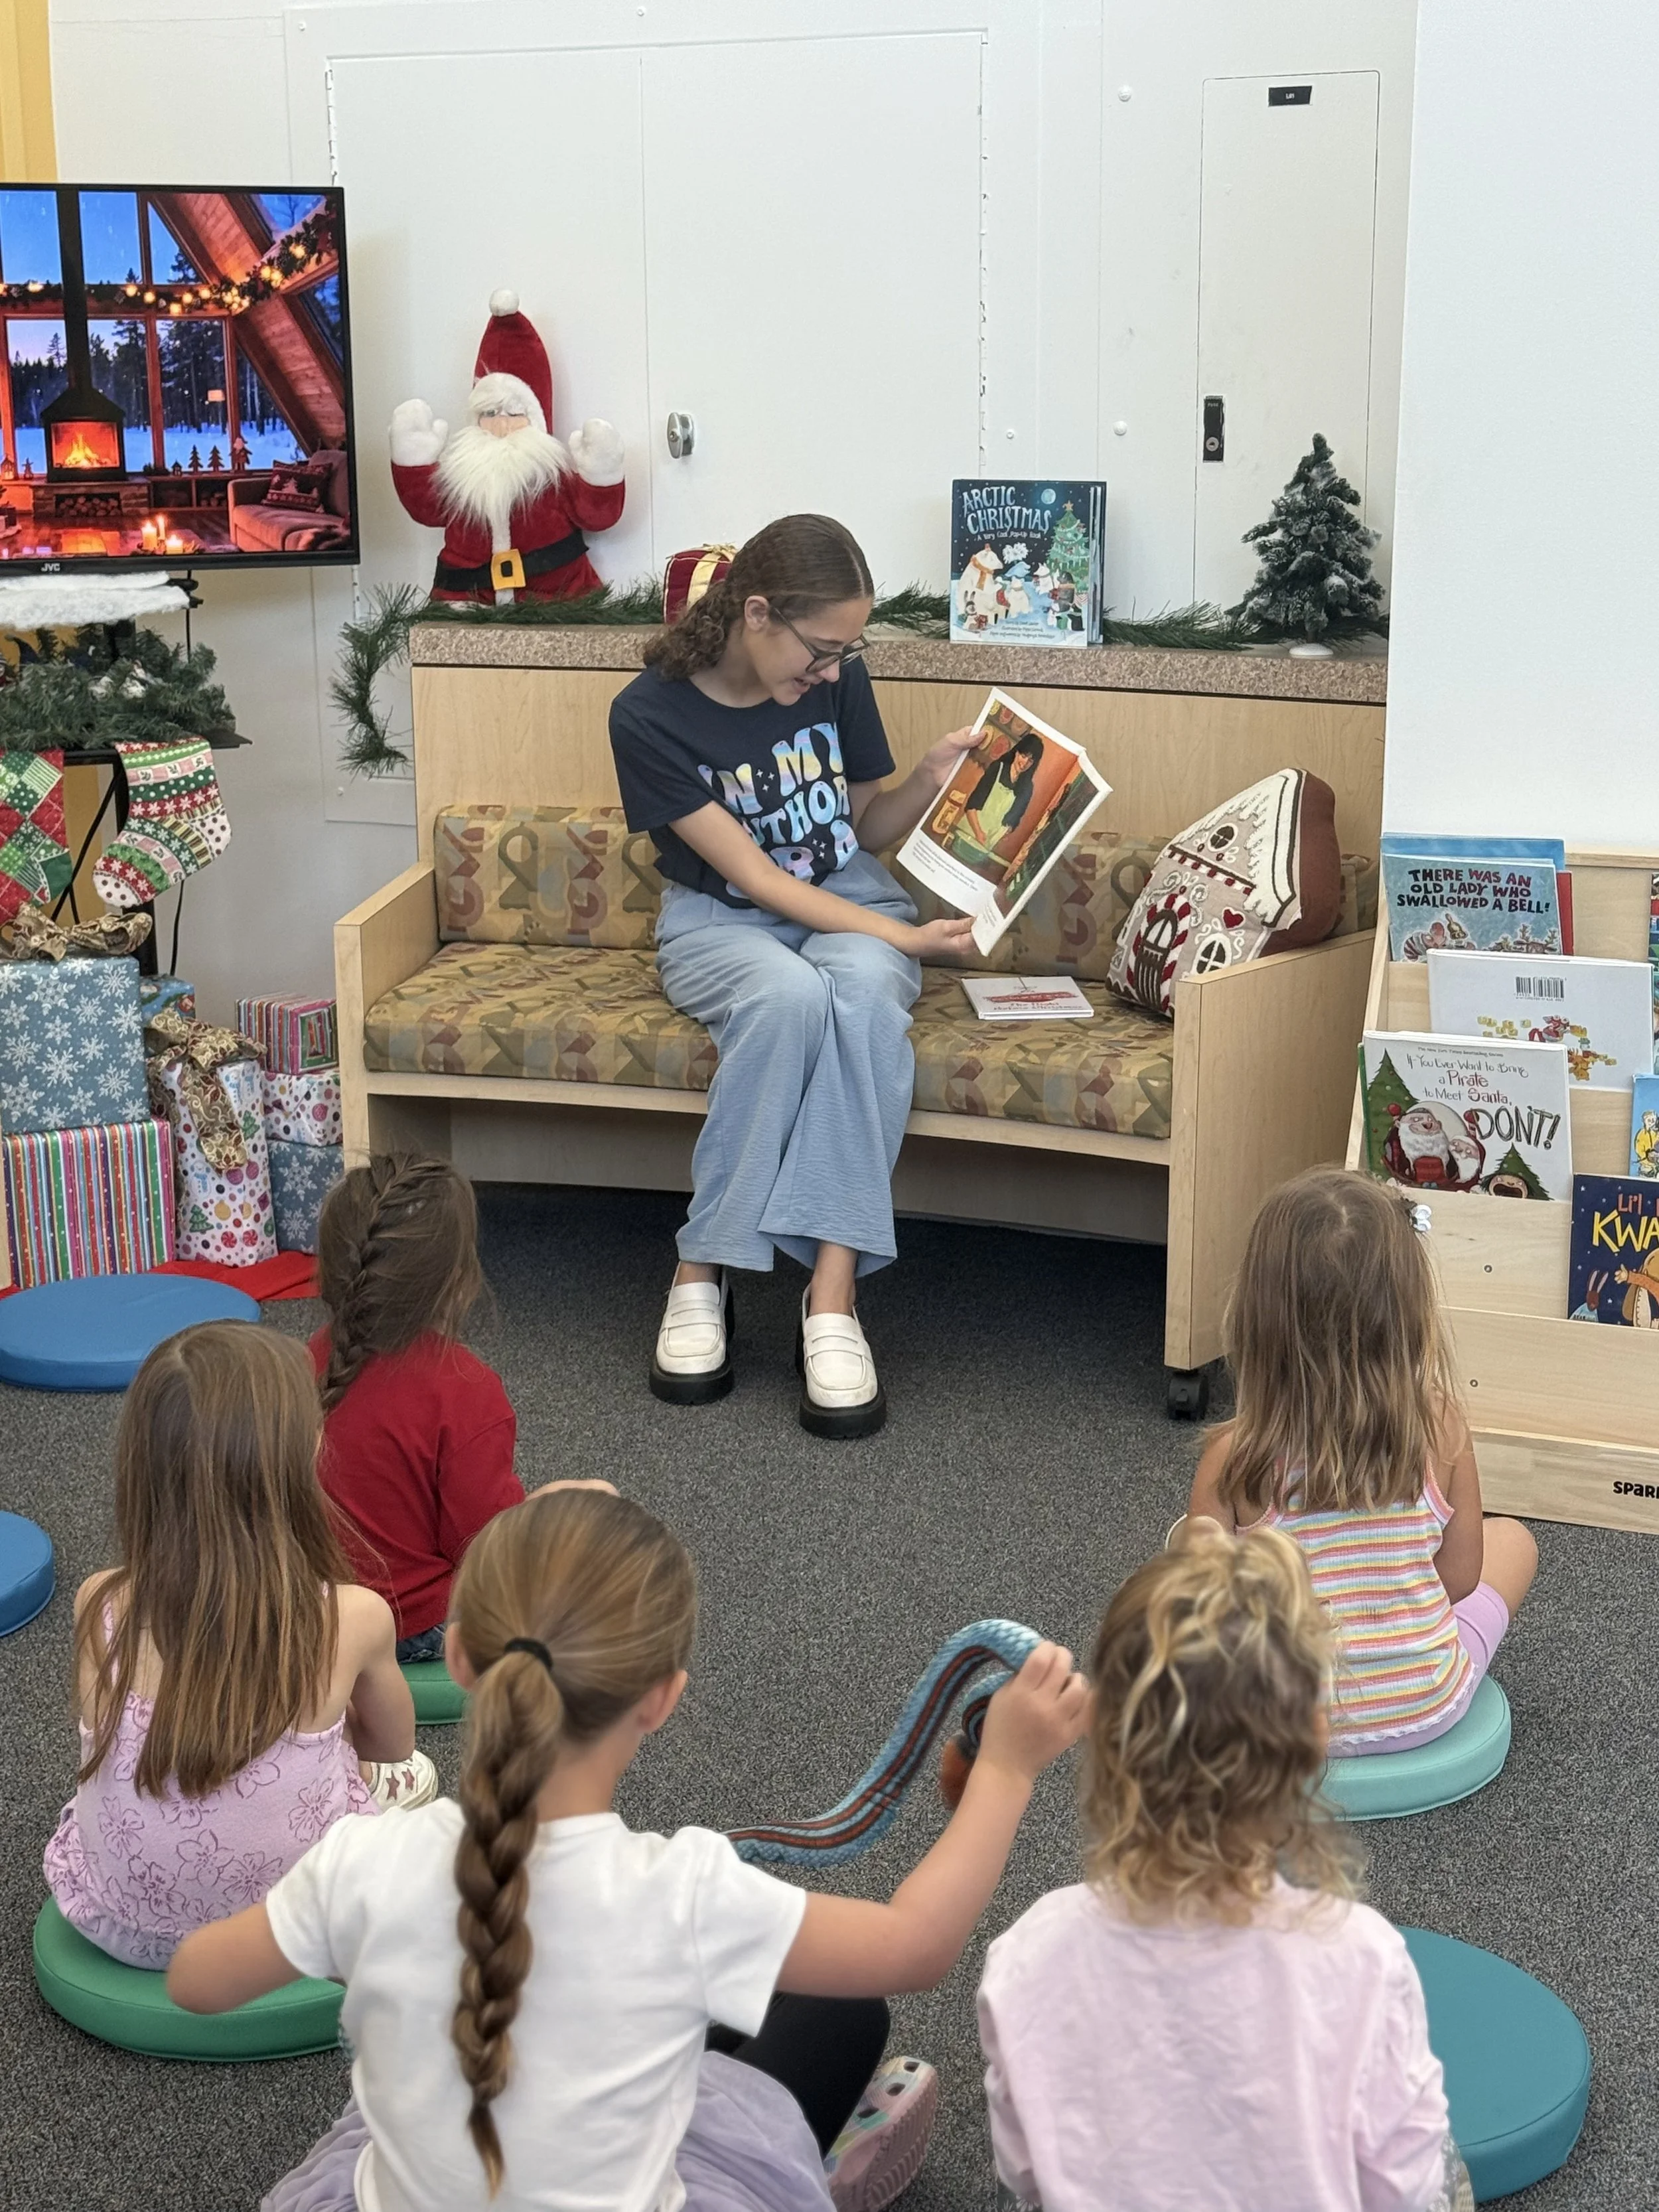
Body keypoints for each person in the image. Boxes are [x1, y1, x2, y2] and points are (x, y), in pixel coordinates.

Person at [169, 1486, 1088, 2212]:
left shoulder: (364, 1861)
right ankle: (816, 2173)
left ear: (456, 1660)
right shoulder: (685, 1893)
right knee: (837, 2014)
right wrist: (1005, 1769)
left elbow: (195, 1983)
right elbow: (918, 1944)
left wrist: (370, 1944)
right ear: (663, 1697)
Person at [609, 513, 979, 1439]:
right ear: (759, 613)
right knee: (786, 996)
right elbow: (762, 880)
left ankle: (831, 1295)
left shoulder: (837, 671)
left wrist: (927, 779)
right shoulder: (648, 714)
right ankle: (705, 1265)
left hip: (844, 893)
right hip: (719, 919)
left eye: (847, 653)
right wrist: (909, 941)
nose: (832, 673)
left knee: (854, 995)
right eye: (820, 652)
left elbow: (859, 830)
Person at [979, 1522, 1473, 2212]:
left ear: (1107, 1740)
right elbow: (1405, 2190)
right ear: (1311, 1741)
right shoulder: (1361, 1960)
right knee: (1444, 2163)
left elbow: (1026, 2175)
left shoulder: (1025, 1954)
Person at [44, 1323, 433, 1970]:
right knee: (372, 1782)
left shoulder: (98, 1602)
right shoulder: (351, 1617)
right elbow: (393, 1748)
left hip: (117, 1925)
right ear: (302, 1455)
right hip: (295, 1930)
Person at [1186, 1167, 1537, 1756]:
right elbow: (1457, 1580)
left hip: (1276, 1722)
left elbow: (1202, 1609)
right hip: (1425, 1704)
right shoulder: (1441, 1424)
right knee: (1515, 1541)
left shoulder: (1235, 1453)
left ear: (1257, 1315)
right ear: (1408, 1311)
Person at [313, 1153, 525, 1662]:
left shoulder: (306, 1360)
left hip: (311, 1613)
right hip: (413, 1629)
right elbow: (486, 1549)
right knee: (587, 1514)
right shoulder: (467, 1389)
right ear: (459, 1282)